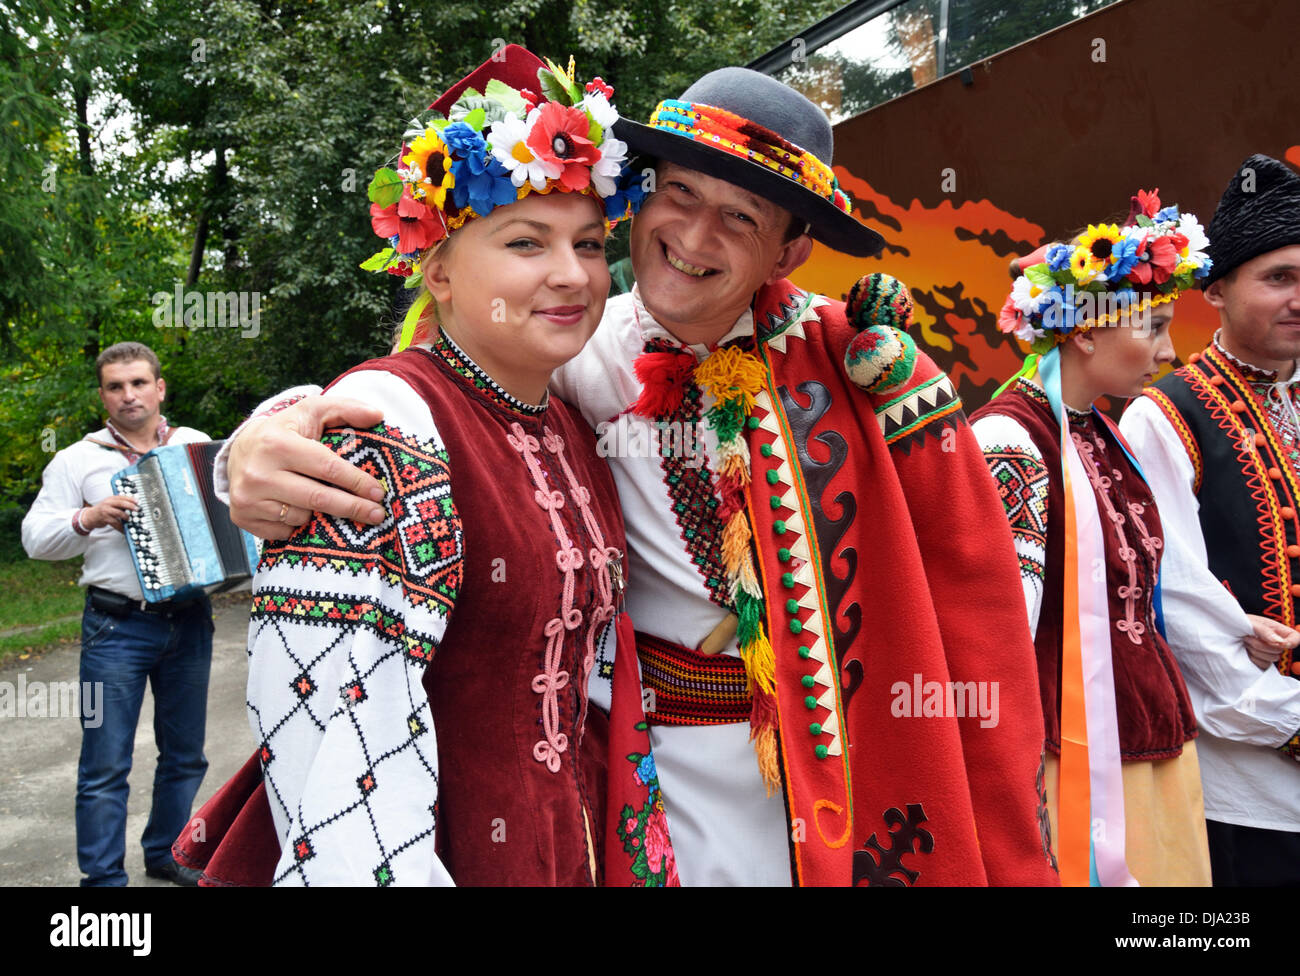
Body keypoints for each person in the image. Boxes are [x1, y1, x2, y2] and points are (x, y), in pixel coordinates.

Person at [218, 66, 1058, 886]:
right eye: (681, 195)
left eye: (740, 215)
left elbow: (977, 586)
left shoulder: (864, 370)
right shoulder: (581, 347)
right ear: (644, 196)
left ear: (790, 249)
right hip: (635, 776)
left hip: (837, 776)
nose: (694, 237)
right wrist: (257, 440)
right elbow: (431, 394)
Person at [178, 46, 674, 887]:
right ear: (438, 270)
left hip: (570, 841)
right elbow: (338, 757)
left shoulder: (571, 418)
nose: (571, 274)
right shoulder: (387, 424)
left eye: (590, 245)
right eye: (526, 241)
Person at [971, 191, 1214, 885]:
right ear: (1084, 331)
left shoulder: (1097, 432)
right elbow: (1001, 633)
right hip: (1073, 757)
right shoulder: (1012, 439)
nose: (1171, 352)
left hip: (1149, 741)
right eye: (1155, 326)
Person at [1120, 153, 1300, 885]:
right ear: (1217, 289)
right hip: (1246, 790)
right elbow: (1181, 612)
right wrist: (1290, 720)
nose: (1299, 298)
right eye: (1278, 278)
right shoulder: (1165, 417)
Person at [21, 341, 213, 887]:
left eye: (137, 383)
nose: (128, 395)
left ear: (159, 388)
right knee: (105, 764)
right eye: (115, 386)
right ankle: (103, 882)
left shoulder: (196, 445)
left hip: (191, 619)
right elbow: (35, 538)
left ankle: (166, 854)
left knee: (186, 755)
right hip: (116, 627)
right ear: (103, 395)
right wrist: (88, 516)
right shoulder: (78, 459)